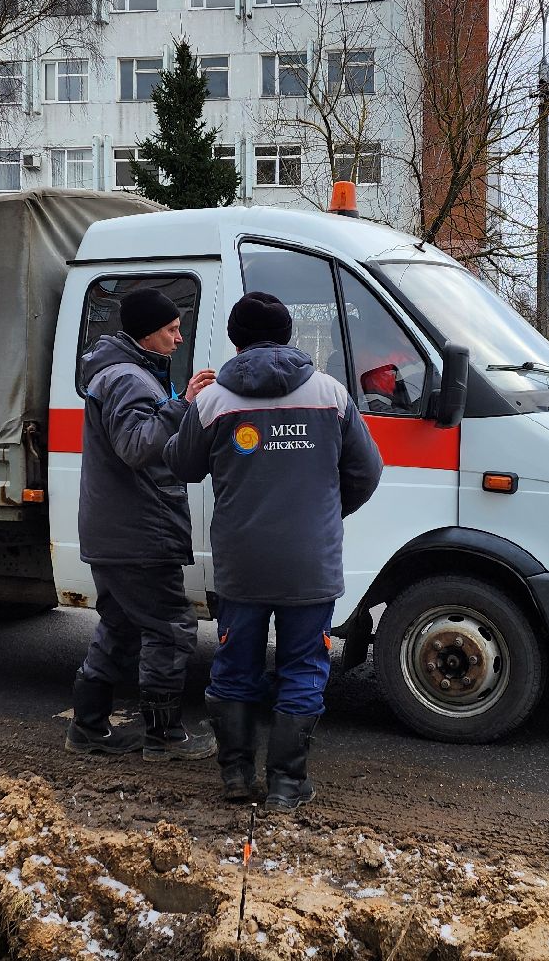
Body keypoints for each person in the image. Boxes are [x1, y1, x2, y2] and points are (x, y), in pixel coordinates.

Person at [166, 292, 383, 810]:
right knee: (304, 666)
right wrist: (324, 514)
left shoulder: (215, 399)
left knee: (236, 664)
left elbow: (181, 465)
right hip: (311, 561)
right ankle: (287, 785)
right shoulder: (331, 394)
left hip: (242, 561)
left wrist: (190, 408)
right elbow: (367, 472)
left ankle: (237, 778)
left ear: (235, 340)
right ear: (287, 335)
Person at [67, 287, 217, 763]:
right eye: (172, 330)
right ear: (149, 333)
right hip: (139, 533)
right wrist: (184, 404)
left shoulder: (125, 373)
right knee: (171, 627)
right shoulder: (129, 379)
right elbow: (135, 446)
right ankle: (164, 736)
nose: (178, 338)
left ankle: (88, 727)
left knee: (121, 625)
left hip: (119, 530)